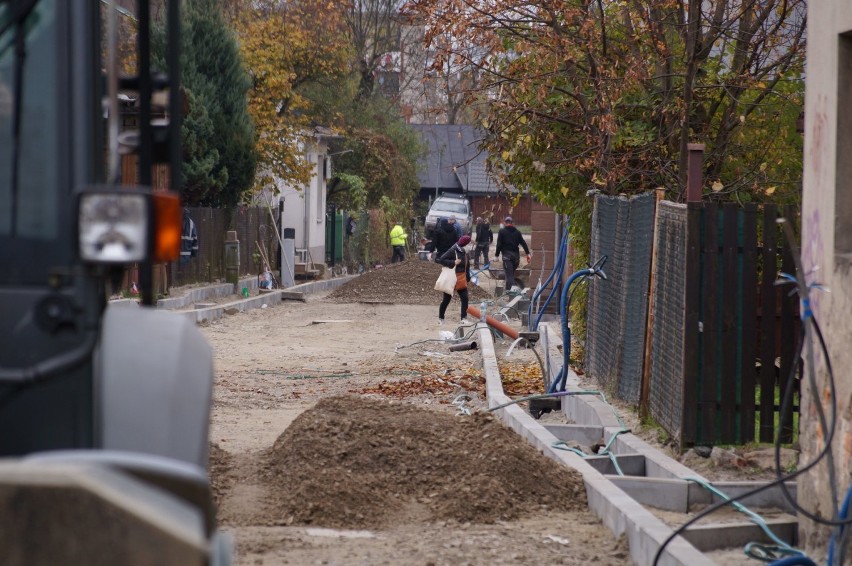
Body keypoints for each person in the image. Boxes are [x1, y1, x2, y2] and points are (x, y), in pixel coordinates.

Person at [436, 234, 472, 325]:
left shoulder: (464, 251)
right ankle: (441, 318)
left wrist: (467, 278)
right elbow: (441, 260)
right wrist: (453, 262)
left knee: (465, 298)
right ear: (465, 243)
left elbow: (467, 266)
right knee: (446, 300)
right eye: (468, 243)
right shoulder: (453, 250)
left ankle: (463, 318)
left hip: (461, 278)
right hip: (451, 278)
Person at [495, 215, 530, 291]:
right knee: (509, 274)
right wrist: (528, 254)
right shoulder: (517, 232)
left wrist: (496, 255)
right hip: (516, 258)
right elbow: (523, 243)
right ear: (511, 223)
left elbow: (499, 245)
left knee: (509, 275)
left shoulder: (502, 232)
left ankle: (514, 292)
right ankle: (508, 290)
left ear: (505, 223)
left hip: (507, 258)